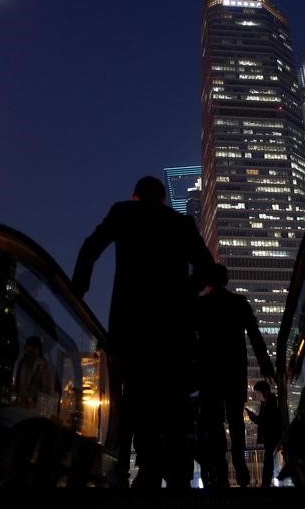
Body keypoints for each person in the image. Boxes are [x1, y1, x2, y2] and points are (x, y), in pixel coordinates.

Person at [73, 176, 214, 488]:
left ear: (135, 196)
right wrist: (183, 294)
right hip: (171, 329)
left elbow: (90, 247)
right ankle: (173, 474)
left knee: (132, 396)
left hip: (130, 323)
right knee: (172, 400)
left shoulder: (124, 213)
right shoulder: (181, 223)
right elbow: (210, 269)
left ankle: (126, 469)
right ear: (163, 198)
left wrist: (78, 289)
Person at [195, 264, 276, 488]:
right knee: (235, 418)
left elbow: (190, 342)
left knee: (215, 422)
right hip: (234, 371)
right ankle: (240, 463)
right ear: (227, 280)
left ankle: (220, 469)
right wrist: (265, 364)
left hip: (209, 372)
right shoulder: (239, 303)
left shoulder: (200, 305)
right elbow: (255, 335)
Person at [246, 380, 282, 488]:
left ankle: (266, 483)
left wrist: (251, 415)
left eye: (258, 392)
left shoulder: (269, 403)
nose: (258, 395)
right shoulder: (271, 402)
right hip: (271, 437)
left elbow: (261, 420)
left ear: (263, 391)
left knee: (268, 462)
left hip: (270, 437)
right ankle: (266, 482)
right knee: (268, 461)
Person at [14, 335, 57, 415]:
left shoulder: (43, 366)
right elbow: (19, 386)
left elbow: (47, 391)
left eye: (29, 348)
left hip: (34, 410)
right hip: (23, 408)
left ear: (37, 349)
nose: (26, 350)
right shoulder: (23, 363)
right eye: (26, 348)